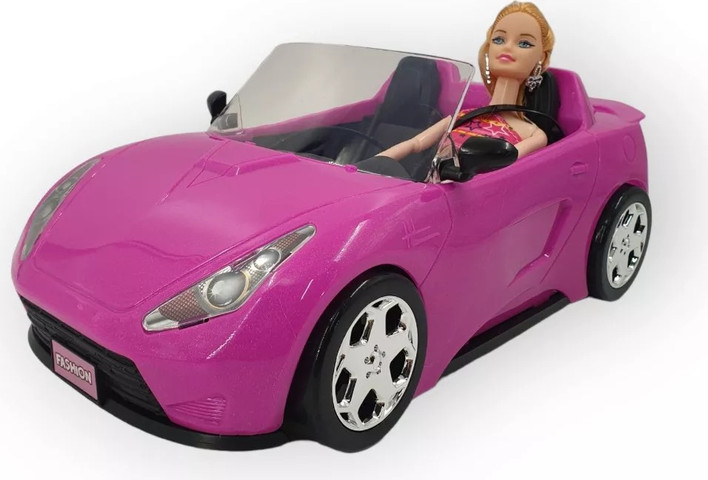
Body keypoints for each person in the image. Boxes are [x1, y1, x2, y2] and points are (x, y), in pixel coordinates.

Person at [375, 1, 555, 163]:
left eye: (524, 43)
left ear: (542, 58)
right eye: (499, 39)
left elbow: (498, 170)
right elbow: (414, 144)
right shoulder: (461, 117)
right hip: (429, 186)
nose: (507, 47)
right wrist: (370, 164)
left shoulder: (533, 135)